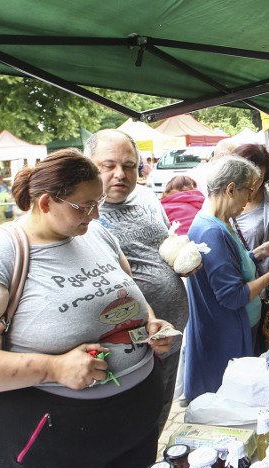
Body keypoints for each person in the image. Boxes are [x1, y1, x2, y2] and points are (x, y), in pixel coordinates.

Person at [0, 149, 175, 468]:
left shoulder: (95, 233)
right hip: (49, 437)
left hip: (133, 419)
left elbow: (128, 291)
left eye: (99, 202)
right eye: (85, 205)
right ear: (46, 202)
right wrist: (54, 368)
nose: (95, 214)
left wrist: (150, 323)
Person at [84, 129, 193, 436]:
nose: (120, 174)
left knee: (158, 414)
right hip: (126, 349)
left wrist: (181, 263)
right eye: (109, 165)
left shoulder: (146, 197)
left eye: (130, 165)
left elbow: (163, 245)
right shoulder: (84, 214)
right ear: (88, 164)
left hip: (170, 333)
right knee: (127, 427)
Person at [184, 155, 269, 401]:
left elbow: (230, 265)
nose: (250, 200)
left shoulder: (219, 222)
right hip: (226, 336)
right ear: (230, 189)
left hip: (232, 330)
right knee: (233, 398)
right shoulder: (211, 231)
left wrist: (257, 253)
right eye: (248, 191)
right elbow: (232, 296)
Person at [233, 144, 269, 276]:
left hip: (260, 287)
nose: (253, 184)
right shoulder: (222, 202)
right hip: (229, 285)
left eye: (259, 178)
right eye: (247, 176)